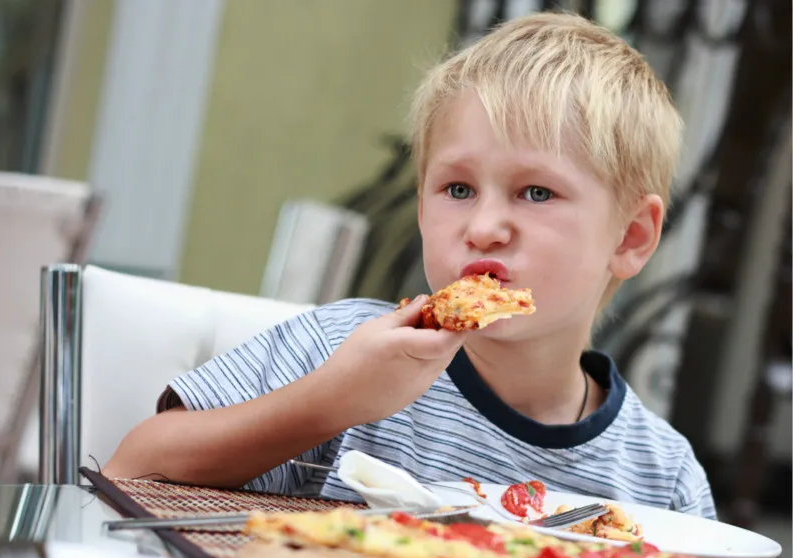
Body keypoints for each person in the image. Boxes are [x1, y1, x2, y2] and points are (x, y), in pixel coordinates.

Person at [104, 12, 716, 519]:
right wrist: (332, 402)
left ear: (631, 238)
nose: (482, 228)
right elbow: (133, 470)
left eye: (536, 193)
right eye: (456, 189)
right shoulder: (339, 348)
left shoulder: (661, 479)